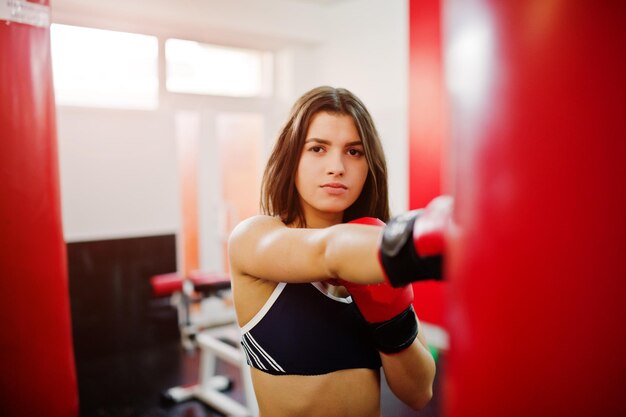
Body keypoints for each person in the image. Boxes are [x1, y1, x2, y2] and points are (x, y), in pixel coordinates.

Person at [228, 86, 442, 417]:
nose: (337, 167)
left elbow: (419, 391)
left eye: (354, 152)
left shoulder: (373, 248)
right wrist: (418, 242)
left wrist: (388, 315)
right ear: (292, 157)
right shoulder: (253, 239)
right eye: (318, 148)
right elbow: (327, 250)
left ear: (369, 165)